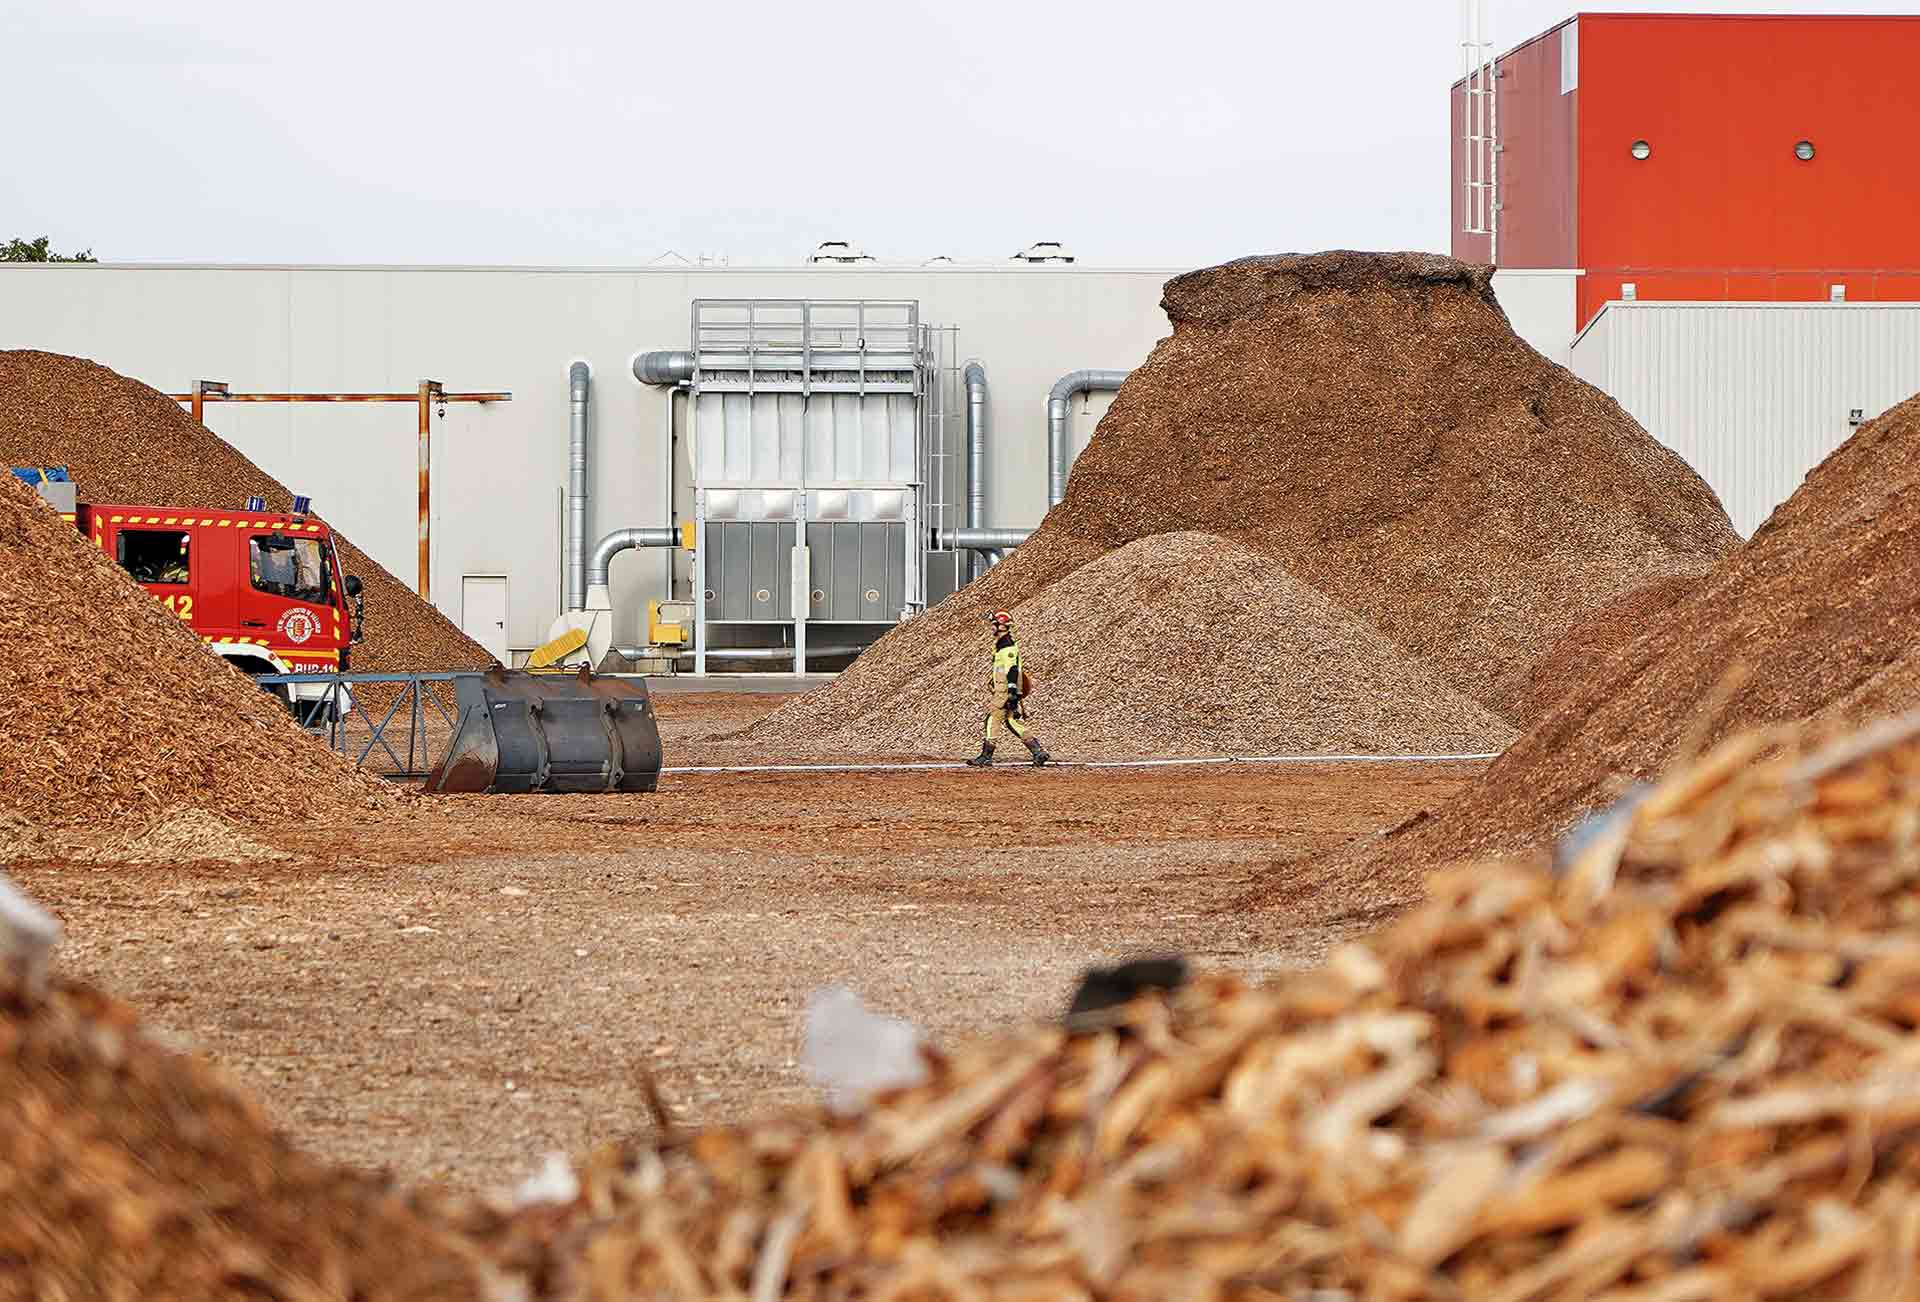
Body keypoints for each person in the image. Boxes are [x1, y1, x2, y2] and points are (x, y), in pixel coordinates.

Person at [967, 610, 1051, 767]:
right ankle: (1037, 751)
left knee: (992, 718)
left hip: (1004, 691)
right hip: (1004, 690)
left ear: (1003, 626)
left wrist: (1012, 694)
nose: (992, 627)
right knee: (1011, 721)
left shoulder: (1007, 648)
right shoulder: (1001, 646)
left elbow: (1012, 671)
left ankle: (986, 756)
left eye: (994, 624)